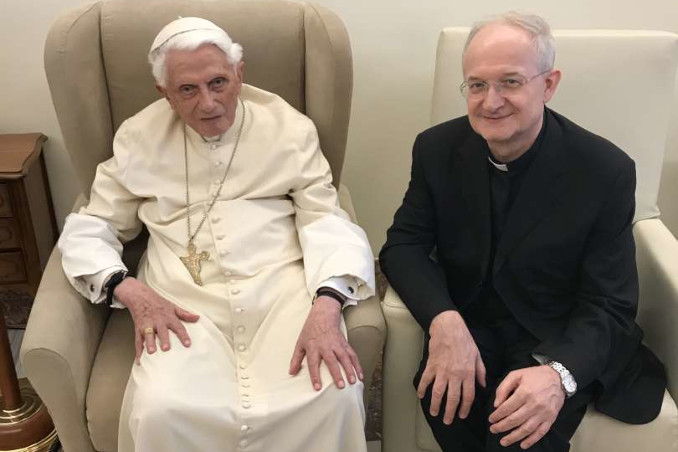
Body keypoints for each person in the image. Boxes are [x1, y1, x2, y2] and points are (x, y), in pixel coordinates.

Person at [58, 17, 375, 452]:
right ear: (164, 93)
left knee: (332, 395)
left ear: (240, 74)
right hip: (181, 304)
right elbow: (94, 224)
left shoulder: (289, 128)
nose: (208, 103)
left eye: (219, 82)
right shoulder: (138, 137)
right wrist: (128, 288)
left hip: (280, 294)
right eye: (188, 89)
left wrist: (327, 305)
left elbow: (325, 218)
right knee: (161, 408)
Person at [380, 12, 665, 452]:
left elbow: (610, 302)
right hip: (472, 328)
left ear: (548, 85)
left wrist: (559, 374)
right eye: (476, 85)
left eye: (510, 82)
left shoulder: (604, 170)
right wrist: (444, 321)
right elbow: (403, 245)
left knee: (521, 438)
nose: (490, 101)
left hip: (557, 333)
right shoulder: (436, 149)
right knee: (444, 403)